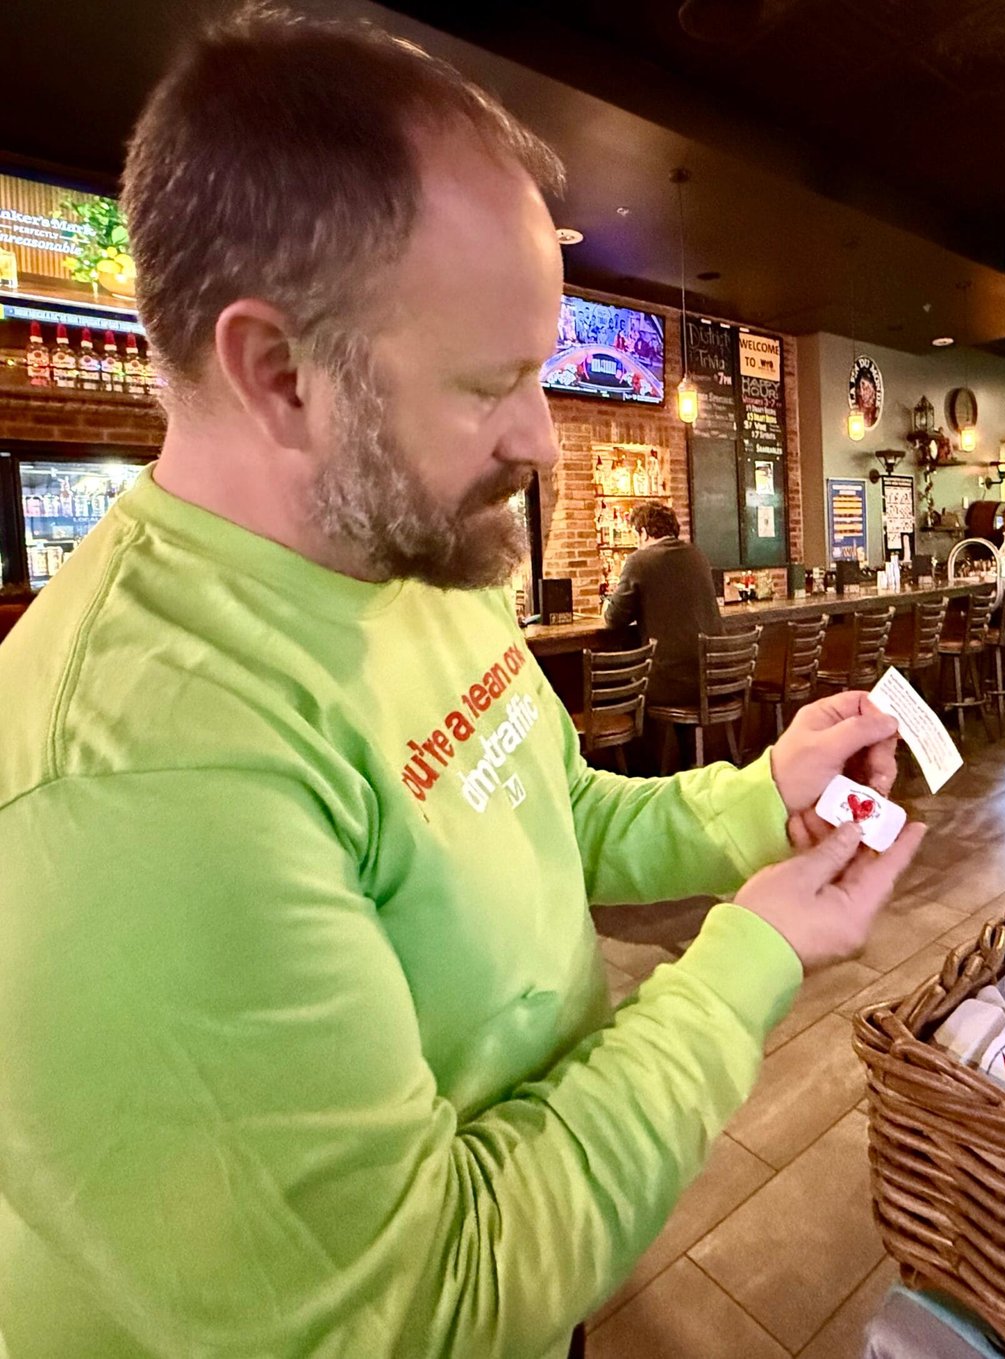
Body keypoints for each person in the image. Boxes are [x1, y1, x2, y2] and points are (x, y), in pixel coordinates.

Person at [0, 14, 925, 1358]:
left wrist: (758, 803)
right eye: (493, 384)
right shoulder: (135, 776)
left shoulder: (420, 551)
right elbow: (422, 1307)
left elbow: (553, 811)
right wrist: (754, 953)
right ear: (280, 375)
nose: (541, 439)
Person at [603, 500, 721, 707]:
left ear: (643, 533)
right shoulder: (698, 555)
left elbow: (614, 619)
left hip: (671, 683)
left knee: (616, 690)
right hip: (713, 678)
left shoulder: (639, 560)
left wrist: (607, 605)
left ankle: (644, 730)